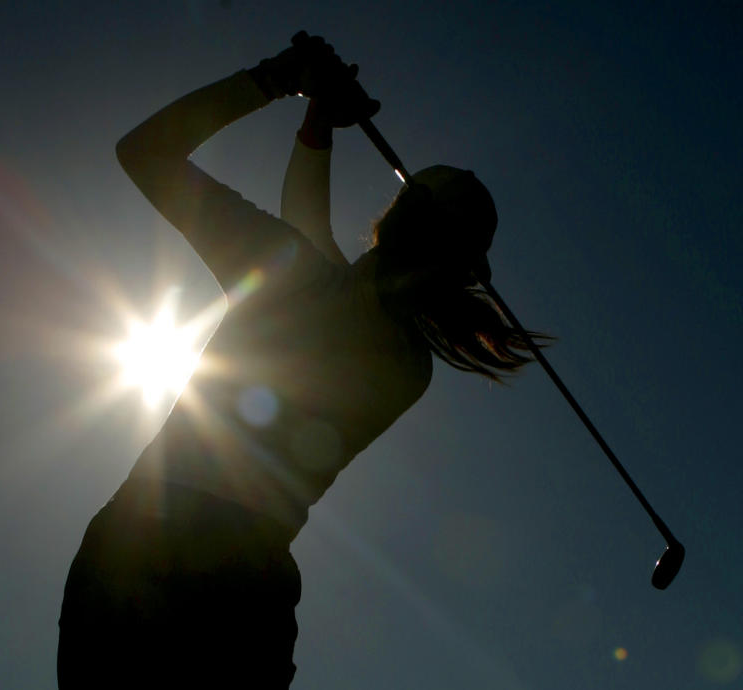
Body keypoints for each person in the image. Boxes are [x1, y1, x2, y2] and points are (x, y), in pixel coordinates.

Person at [58, 32, 541, 689]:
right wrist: (316, 122)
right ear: (458, 271)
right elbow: (314, 245)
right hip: (243, 595)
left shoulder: (304, 285)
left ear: (390, 221)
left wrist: (279, 79)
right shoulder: (409, 367)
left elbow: (144, 152)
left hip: (145, 556)